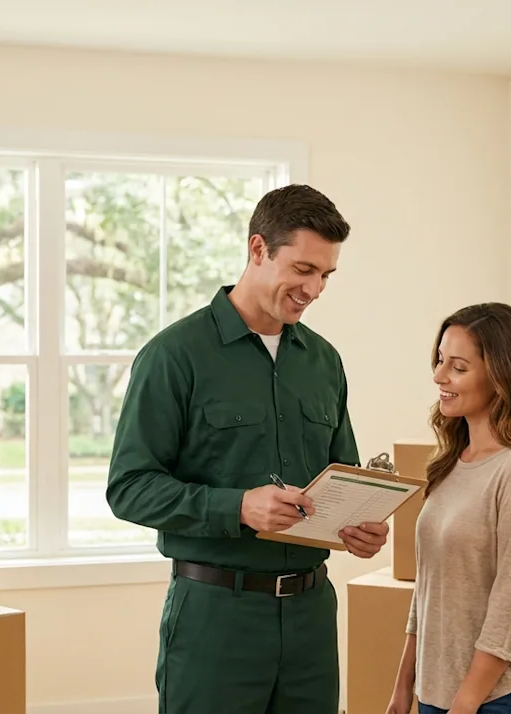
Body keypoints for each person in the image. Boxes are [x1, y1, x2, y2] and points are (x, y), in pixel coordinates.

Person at [105, 184, 389, 714]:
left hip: (311, 618)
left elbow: (343, 476)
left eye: (326, 275)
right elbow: (129, 489)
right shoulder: (174, 356)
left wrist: (360, 526)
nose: (315, 289)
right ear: (258, 249)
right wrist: (237, 506)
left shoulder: (323, 362)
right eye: (303, 269)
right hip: (215, 618)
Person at [385, 303, 511, 714]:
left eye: (457, 366)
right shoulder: (453, 461)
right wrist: (404, 686)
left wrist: (466, 703)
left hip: (499, 700)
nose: (439, 376)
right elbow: (428, 587)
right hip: (436, 695)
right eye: (439, 361)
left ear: (501, 376)